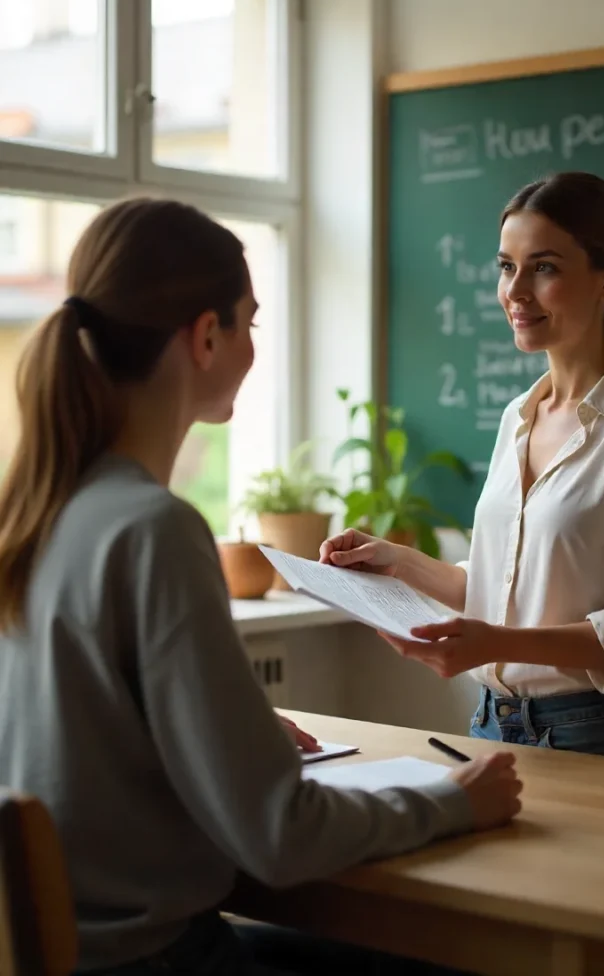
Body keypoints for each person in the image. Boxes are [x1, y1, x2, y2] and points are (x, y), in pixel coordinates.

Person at [0, 198, 522, 976]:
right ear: (206, 337)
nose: (253, 345)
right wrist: (455, 801)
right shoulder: (154, 530)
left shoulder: (36, 515)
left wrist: (224, 731)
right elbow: (281, 834)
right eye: (250, 321)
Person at [321, 172, 604, 765]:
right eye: (507, 267)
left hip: (603, 736)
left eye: (544, 267)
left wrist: (496, 642)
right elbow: (501, 588)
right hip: (493, 724)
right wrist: (396, 561)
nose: (515, 291)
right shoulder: (519, 416)